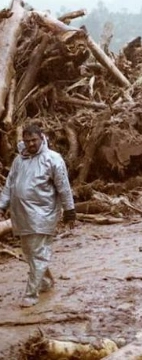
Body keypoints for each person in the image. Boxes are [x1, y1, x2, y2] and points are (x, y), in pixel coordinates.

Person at [0, 124, 76, 308]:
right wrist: (2, 205)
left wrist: (69, 210)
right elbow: (10, 184)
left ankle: (31, 294)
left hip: (43, 215)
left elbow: (63, 187)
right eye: (27, 141)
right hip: (21, 216)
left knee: (38, 253)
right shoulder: (20, 160)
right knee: (30, 253)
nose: (31, 144)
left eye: (34, 140)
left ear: (42, 138)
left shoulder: (53, 159)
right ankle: (46, 281)